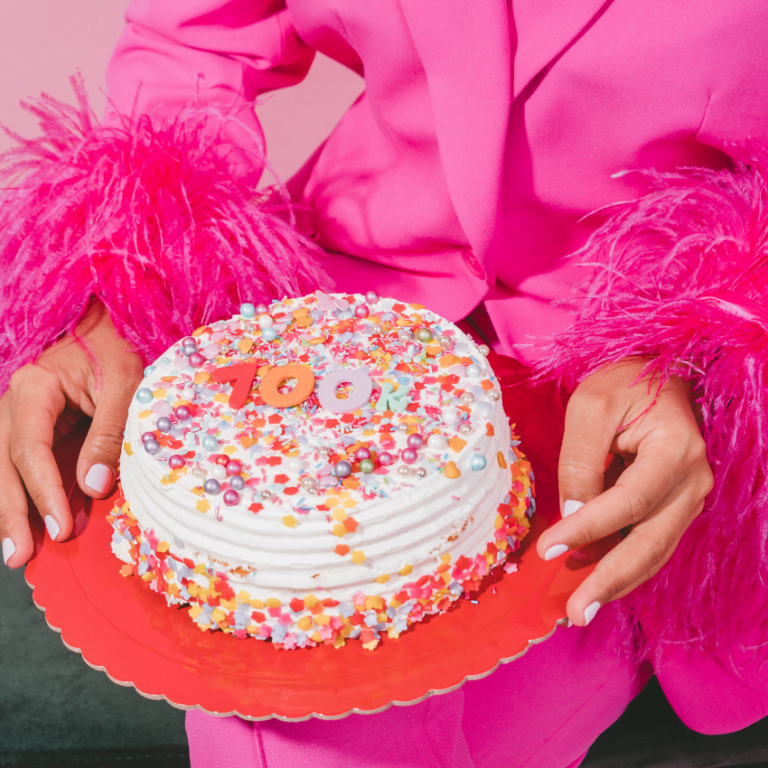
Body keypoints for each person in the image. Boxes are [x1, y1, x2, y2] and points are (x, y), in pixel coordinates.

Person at [1, 1, 766, 765]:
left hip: (632, 403)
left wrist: (701, 338)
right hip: (342, 309)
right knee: (290, 711)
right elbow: (191, 40)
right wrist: (122, 273)